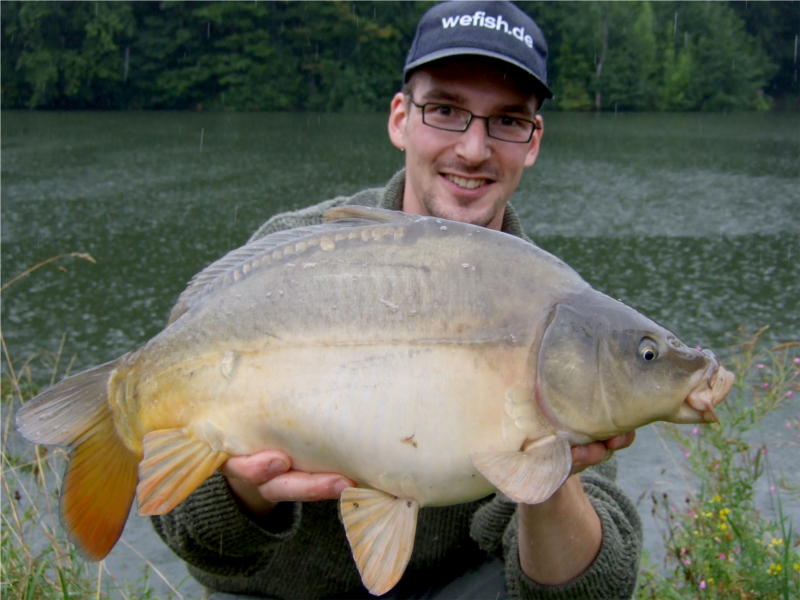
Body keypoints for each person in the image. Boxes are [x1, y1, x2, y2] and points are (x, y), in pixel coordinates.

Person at [152, 2, 643, 598]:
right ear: (400, 119)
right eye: (445, 111)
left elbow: (596, 589)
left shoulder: (560, 312)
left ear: (533, 142)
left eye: (507, 121)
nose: (473, 150)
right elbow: (187, 535)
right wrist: (248, 490)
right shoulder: (292, 255)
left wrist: (548, 463)